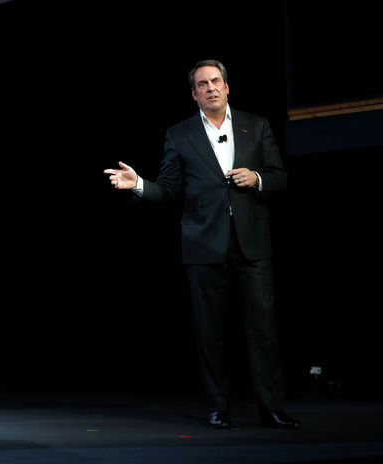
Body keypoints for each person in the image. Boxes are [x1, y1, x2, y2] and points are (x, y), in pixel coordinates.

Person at [104, 59, 300, 429]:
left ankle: (271, 408)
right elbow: (170, 190)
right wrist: (140, 185)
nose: (210, 87)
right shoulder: (180, 134)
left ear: (227, 87)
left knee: (263, 330)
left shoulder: (255, 126)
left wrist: (256, 177)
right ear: (194, 94)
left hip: (252, 244)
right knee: (211, 333)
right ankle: (219, 408)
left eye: (216, 81)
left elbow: (280, 178)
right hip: (203, 246)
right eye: (202, 84)